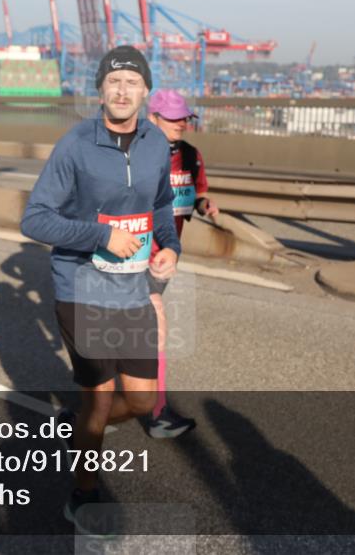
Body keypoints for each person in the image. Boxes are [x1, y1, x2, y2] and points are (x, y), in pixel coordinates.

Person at [21, 45, 181, 533]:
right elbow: (35, 219)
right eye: (113, 82)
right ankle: (82, 495)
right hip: (82, 287)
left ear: (146, 92)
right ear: (100, 90)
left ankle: (81, 434)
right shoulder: (75, 145)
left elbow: (159, 206)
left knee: (138, 401)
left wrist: (169, 246)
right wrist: (100, 235)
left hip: (132, 289)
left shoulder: (156, 144)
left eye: (132, 82)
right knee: (100, 398)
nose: (122, 90)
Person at [145, 89, 220, 438]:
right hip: (135, 255)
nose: (181, 124)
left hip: (168, 254)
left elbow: (197, 193)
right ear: (153, 117)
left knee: (133, 333)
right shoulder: (136, 152)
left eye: (184, 117)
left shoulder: (191, 155)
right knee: (155, 330)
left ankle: (88, 405)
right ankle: (158, 413)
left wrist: (205, 206)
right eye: (173, 118)